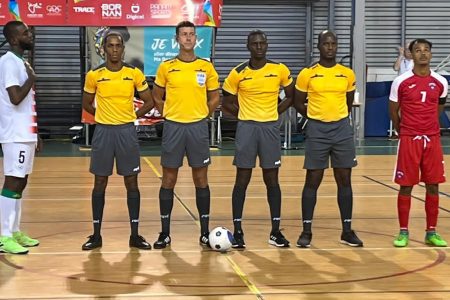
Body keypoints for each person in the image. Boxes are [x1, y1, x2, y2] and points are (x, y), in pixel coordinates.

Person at [81, 31, 154, 250]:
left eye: (118, 46)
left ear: (123, 49)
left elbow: (149, 102)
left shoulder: (133, 73)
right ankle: (96, 235)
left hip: (126, 133)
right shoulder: (95, 74)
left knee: (131, 182)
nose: (114, 49)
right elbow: (86, 104)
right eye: (110, 45)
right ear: (104, 48)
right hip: (103, 132)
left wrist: (132, 117)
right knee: (100, 182)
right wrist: (104, 117)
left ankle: (134, 235)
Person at [222, 30, 294, 248]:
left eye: (263, 43)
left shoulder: (279, 69)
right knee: (242, 179)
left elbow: (290, 96)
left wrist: (274, 112)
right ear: (248, 46)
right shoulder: (238, 72)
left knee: (272, 179)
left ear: (267, 45)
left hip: (270, 128)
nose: (259, 47)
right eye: (255, 43)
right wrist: (245, 116)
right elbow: (226, 103)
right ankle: (238, 230)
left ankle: (275, 232)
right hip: (247, 129)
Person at [151, 21, 220, 249]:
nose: (188, 38)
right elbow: (157, 96)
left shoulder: (206, 67)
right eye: (184, 35)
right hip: (174, 127)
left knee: (201, 179)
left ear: (196, 38)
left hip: (197, 128)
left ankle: (204, 233)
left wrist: (202, 115)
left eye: (191, 34)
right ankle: (165, 234)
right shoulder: (166, 67)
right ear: (177, 39)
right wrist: (168, 114)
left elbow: (214, 97)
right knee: (169, 179)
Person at [293, 30, 363, 248]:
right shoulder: (308, 73)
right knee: (313, 180)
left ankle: (347, 230)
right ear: (319, 46)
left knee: (344, 180)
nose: (330, 47)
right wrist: (315, 117)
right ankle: (306, 231)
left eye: (333, 43)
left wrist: (336, 118)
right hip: (317, 131)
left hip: (342, 129)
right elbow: (298, 102)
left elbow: (349, 101)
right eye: (326, 43)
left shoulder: (347, 74)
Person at [389, 38, 448, 247]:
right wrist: (402, 130)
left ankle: (431, 232)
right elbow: (393, 109)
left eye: (426, 50)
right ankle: (403, 231)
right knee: (406, 186)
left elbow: (439, 106)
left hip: (432, 138)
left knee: (433, 185)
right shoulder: (401, 81)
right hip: (409, 139)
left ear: (430, 54)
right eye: (417, 50)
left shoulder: (441, 82)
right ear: (411, 55)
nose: (422, 53)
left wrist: (429, 123)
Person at [0, 21, 41, 255]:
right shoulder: (8, 63)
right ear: (14, 39)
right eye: (25, 33)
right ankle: (4, 236)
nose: (30, 34)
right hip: (14, 133)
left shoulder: (20, 61)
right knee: (13, 181)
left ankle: (15, 231)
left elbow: (26, 104)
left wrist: (35, 133)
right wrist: (31, 79)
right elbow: (15, 97)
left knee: (22, 181)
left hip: (24, 132)